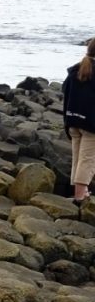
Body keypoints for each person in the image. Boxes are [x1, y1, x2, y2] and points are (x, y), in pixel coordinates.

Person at [63, 38, 95, 203]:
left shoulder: (76, 70)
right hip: (91, 124)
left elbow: (65, 92)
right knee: (88, 159)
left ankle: (81, 192)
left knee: (78, 156)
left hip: (73, 120)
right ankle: (79, 196)